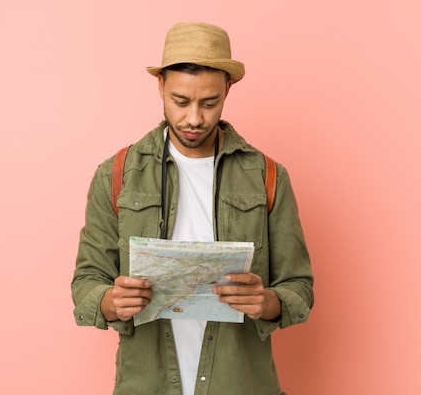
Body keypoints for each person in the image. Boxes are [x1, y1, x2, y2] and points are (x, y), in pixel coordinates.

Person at [71, 21, 314, 395]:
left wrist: (266, 302)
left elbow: (299, 287)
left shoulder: (268, 176)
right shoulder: (116, 175)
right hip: (146, 383)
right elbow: (86, 283)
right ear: (161, 87)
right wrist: (111, 300)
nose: (194, 118)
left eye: (210, 102)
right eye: (181, 101)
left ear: (228, 89)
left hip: (240, 384)